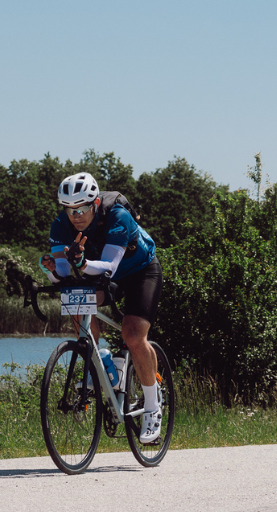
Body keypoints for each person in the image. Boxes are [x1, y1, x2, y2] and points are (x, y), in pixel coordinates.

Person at [39, 172, 164, 444]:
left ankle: (153, 406)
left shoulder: (118, 217)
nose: (76, 215)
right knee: (75, 300)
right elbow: (62, 271)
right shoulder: (61, 225)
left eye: (82, 208)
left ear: (95, 203)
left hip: (141, 272)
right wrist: (51, 270)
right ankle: (102, 357)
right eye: (70, 209)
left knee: (132, 335)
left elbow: (109, 265)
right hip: (103, 274)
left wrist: (82, 263)